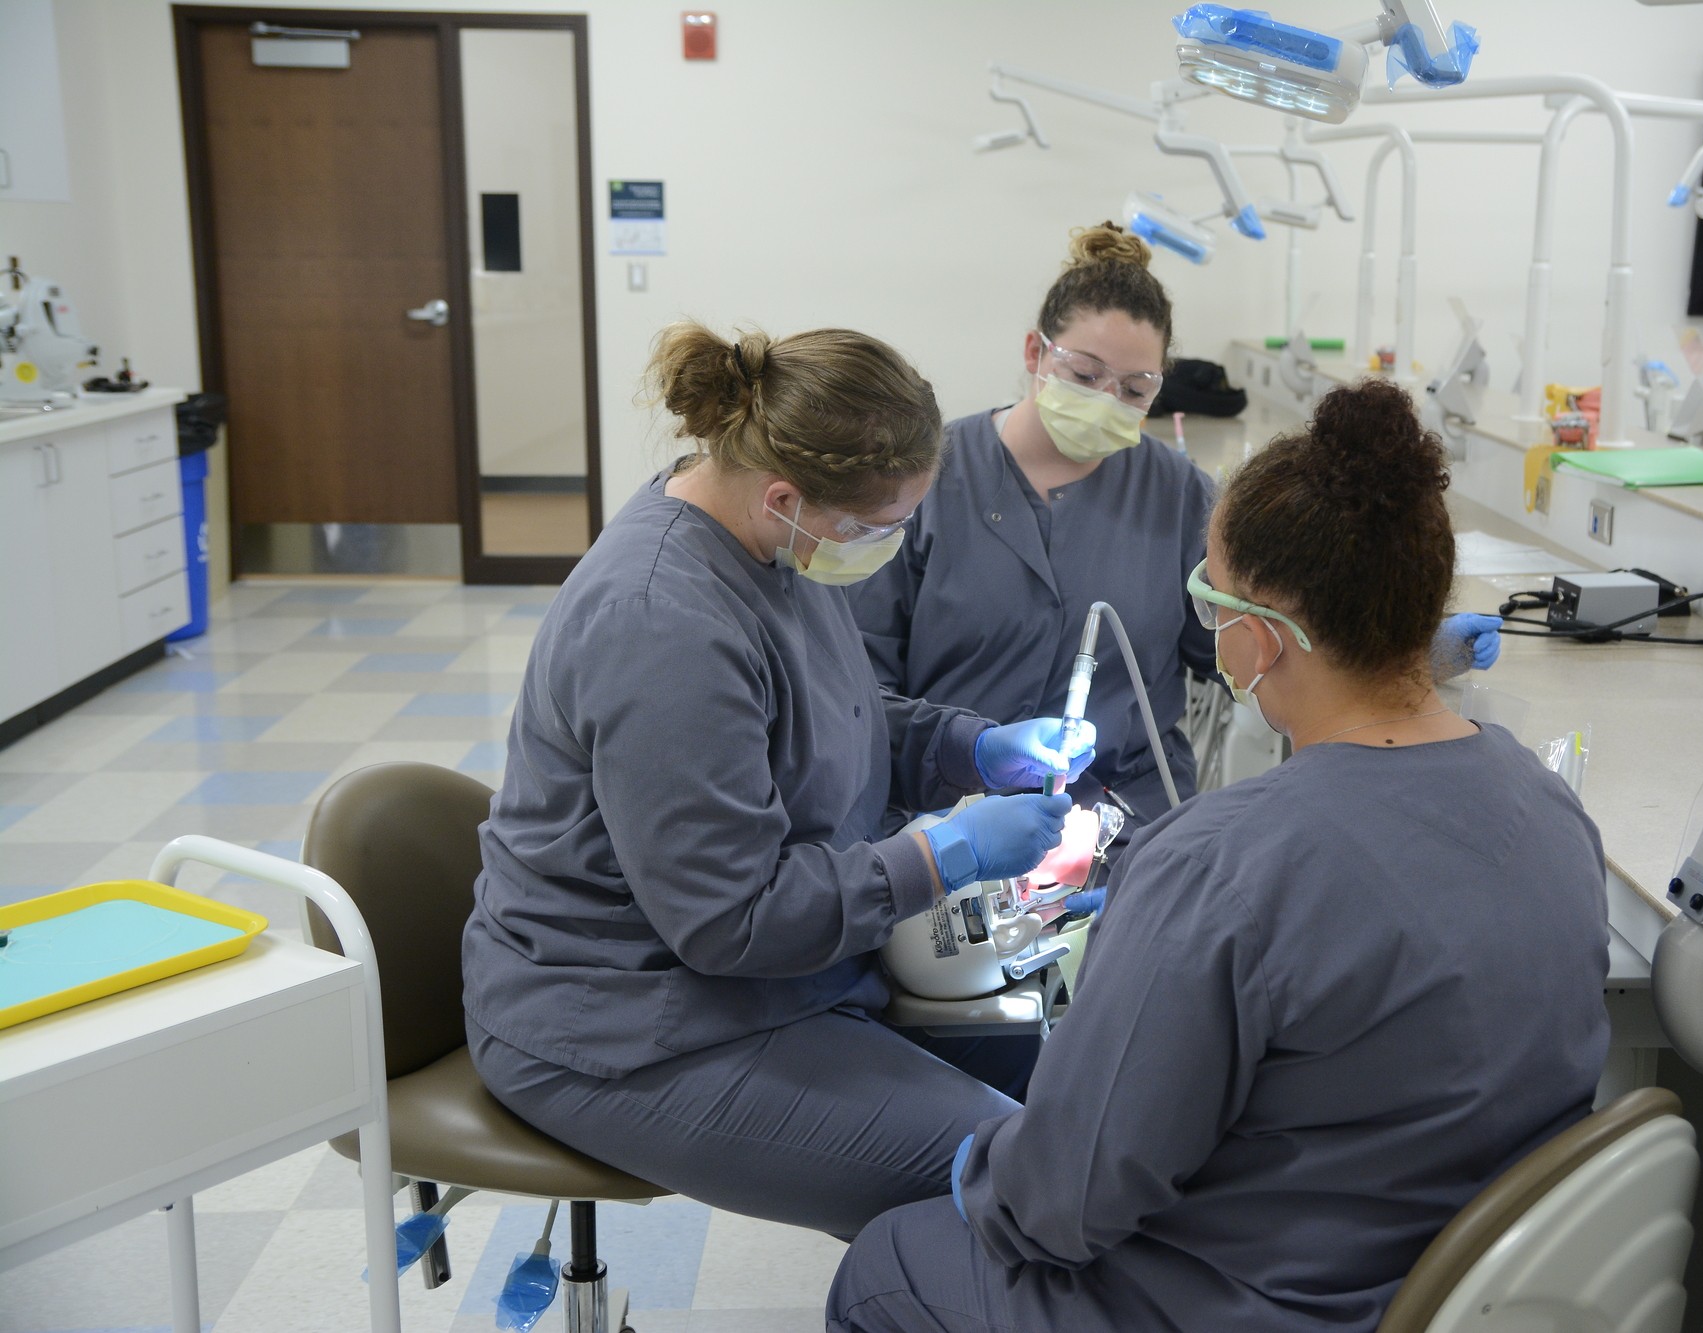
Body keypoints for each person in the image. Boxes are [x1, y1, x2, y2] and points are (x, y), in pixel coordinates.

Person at [828, 380, 1612, 1333]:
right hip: (1459, 1291)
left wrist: (981, 1162)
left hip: (1250, 1306)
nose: (1207, 625)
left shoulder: (1217, 867)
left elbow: (1059, 1207)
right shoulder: (1552, 810)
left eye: (1209, 596)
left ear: (1268, 632)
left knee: (888, 1263)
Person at [461, 322, 1099, 1241]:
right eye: (880, 526)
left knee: (1048, 1080)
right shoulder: (662, 622)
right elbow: (731, 917)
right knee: (1012, 1177)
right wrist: (940, 853)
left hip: (758, 980)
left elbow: (835, 711)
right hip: (626, 1027)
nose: (890, 542)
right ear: (787, 495)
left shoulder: (768, 544)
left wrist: (975, 747)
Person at [845, 224, 1501, 831]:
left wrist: (1408, 647)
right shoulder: (929, 483)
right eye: (1084, 375)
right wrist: (973, 756)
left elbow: (1250, 640)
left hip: (1121, 819)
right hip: (952, 813)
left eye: (1135, 389)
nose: (1108, 400)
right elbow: (858, 696)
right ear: (1034, 353)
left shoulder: (1179, 495)